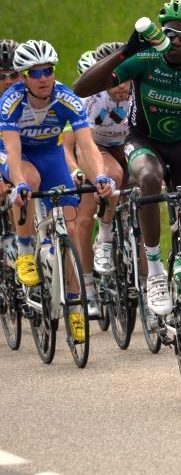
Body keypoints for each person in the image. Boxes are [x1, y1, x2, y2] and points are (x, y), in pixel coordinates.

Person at [73, 0, 181, 372]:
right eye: (171, 33)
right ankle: (155, 270)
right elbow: (83, 87)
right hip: (143, 140)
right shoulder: (146, 58)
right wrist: (124, 53)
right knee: (147, 177)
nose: (176, 40)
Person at [0, 40, 114, 341]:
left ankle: (75, 306)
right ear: (23, 77)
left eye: (48, 71)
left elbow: (87, 147)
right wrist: (18, 182)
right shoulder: (11, 101)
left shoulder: (67, 98)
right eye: (35, 73)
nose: (43, 79)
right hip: (20, 156)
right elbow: (11, 150)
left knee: (72, 226)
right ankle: (25, 250)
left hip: (50, 156)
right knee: (31, 182)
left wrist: (100, 176)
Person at [65, 42, 131, 317]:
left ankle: (149, 279)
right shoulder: (88, 99)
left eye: (124, 77)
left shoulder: (139, 93)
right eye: (111, 78)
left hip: (126, 144)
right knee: (87, 211)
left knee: (142, 205)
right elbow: (73, 147)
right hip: (96, 149)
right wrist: (76, 171)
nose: (119, 85)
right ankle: (88, 286)